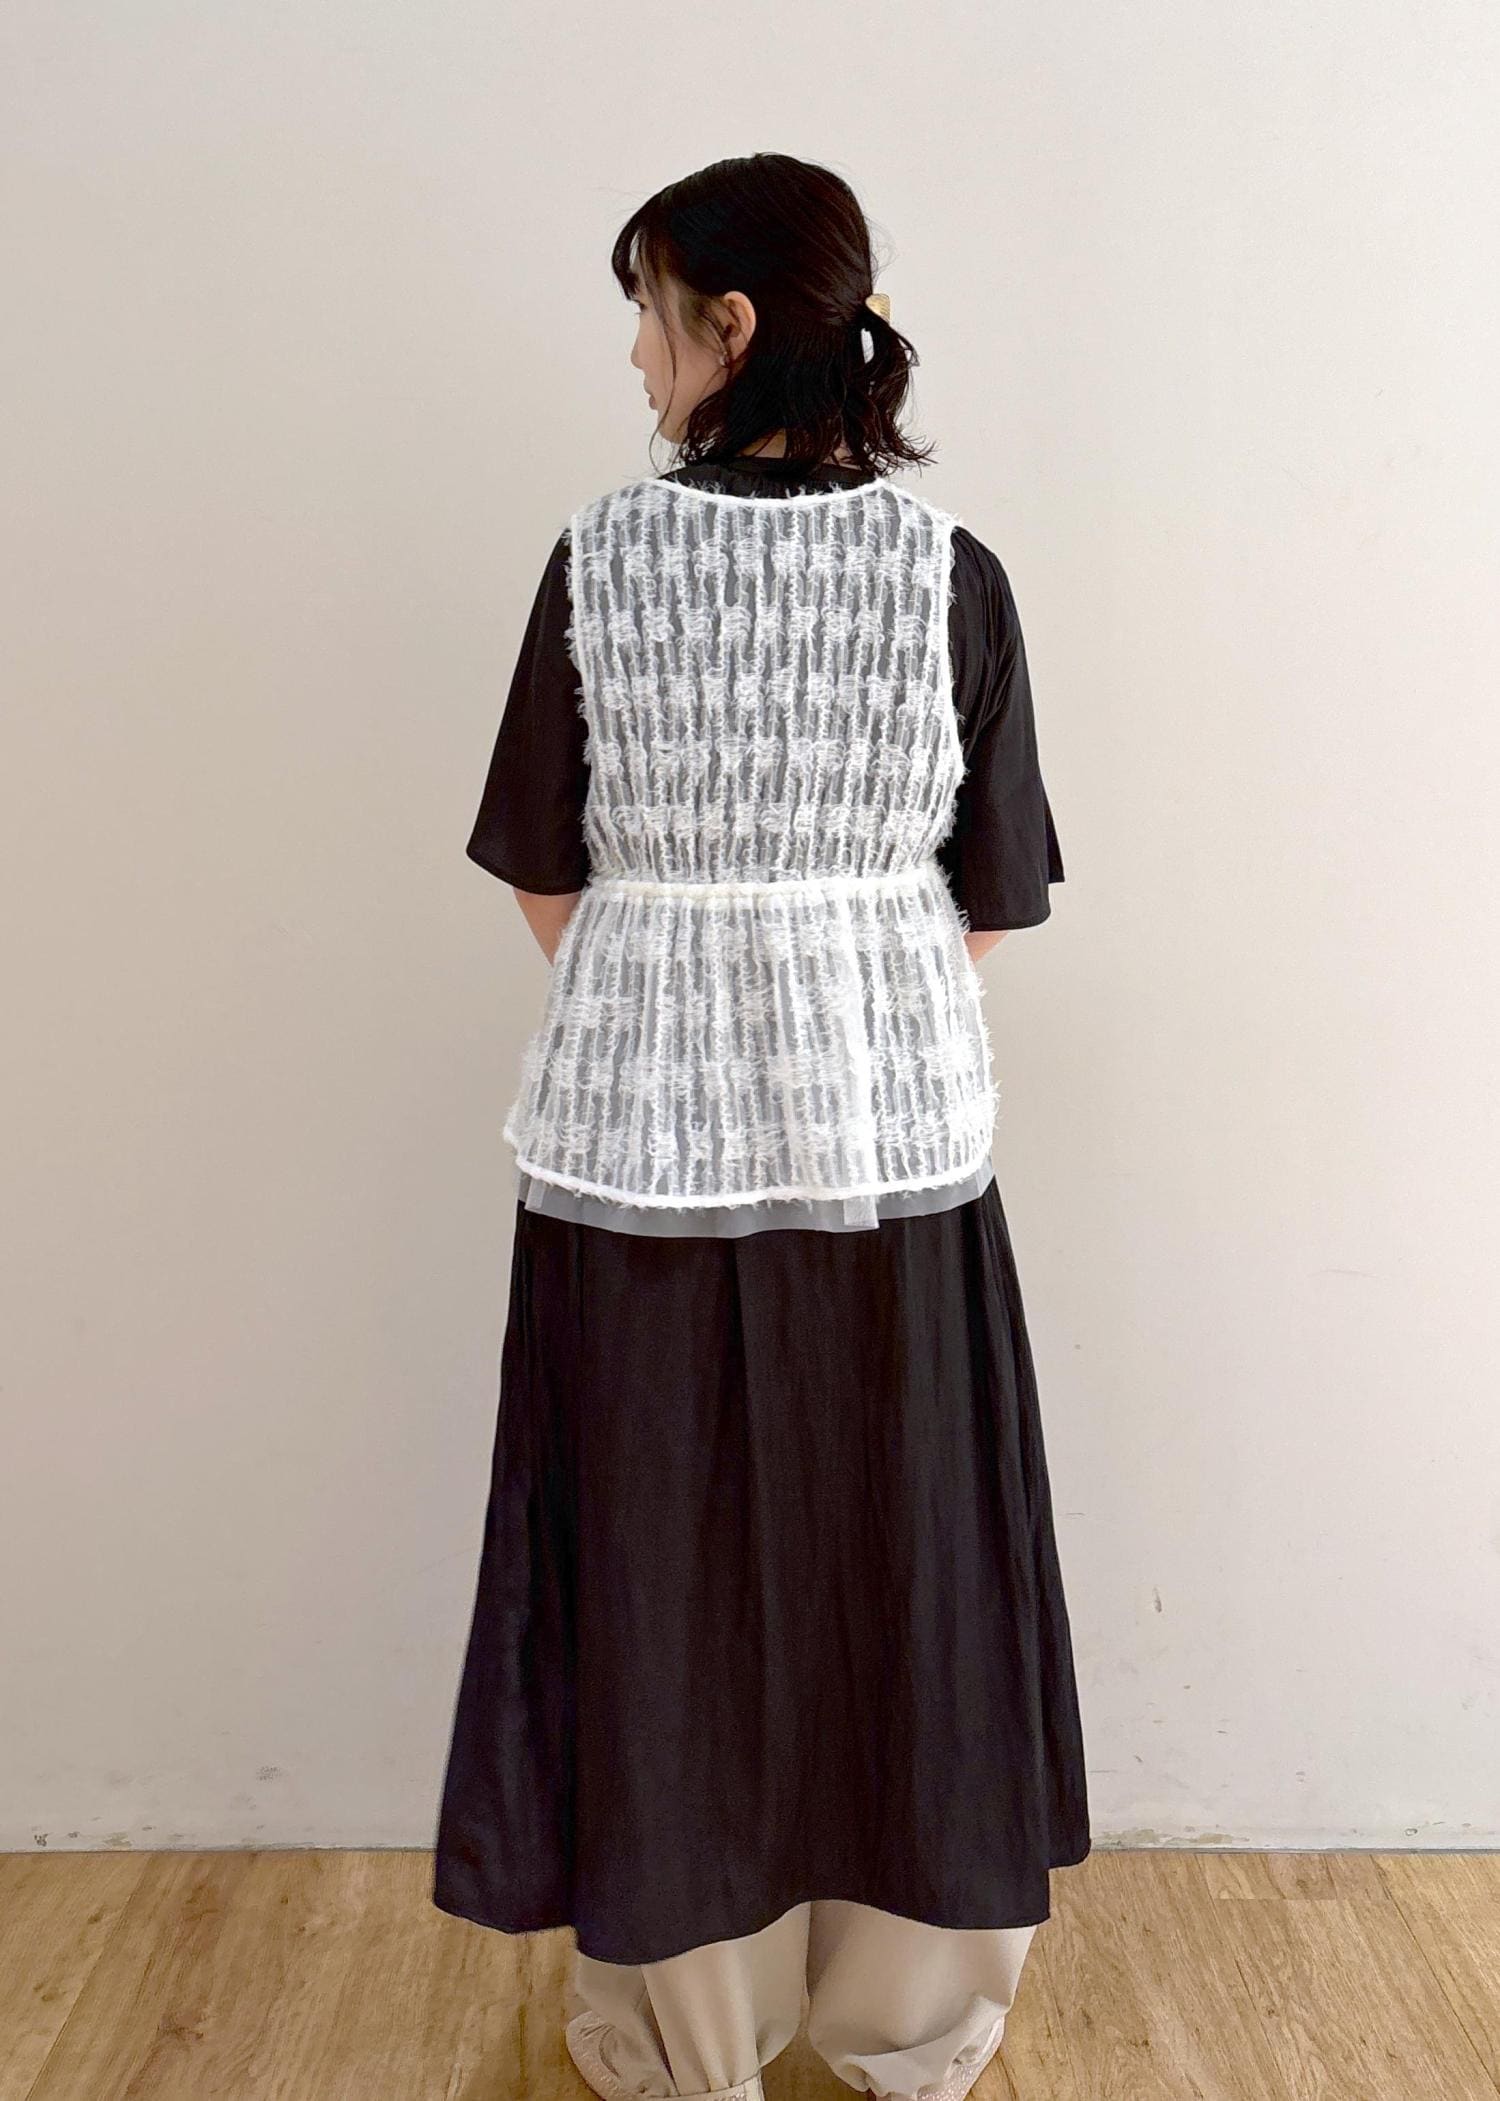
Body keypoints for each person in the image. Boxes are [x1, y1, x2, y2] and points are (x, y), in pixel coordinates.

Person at [431, 152, 1091, 2101]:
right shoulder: (949, 570)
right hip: (895, 1157)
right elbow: (992, 896)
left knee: (667, 1578)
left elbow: (545, 871)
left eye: (646, 315)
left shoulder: (599, 561)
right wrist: (835, 995)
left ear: (726, 326)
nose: (634, 360)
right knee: (908, 1569)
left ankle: (686, 2032)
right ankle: (909, 2022)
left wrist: (689, 997)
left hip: (639, 1163)